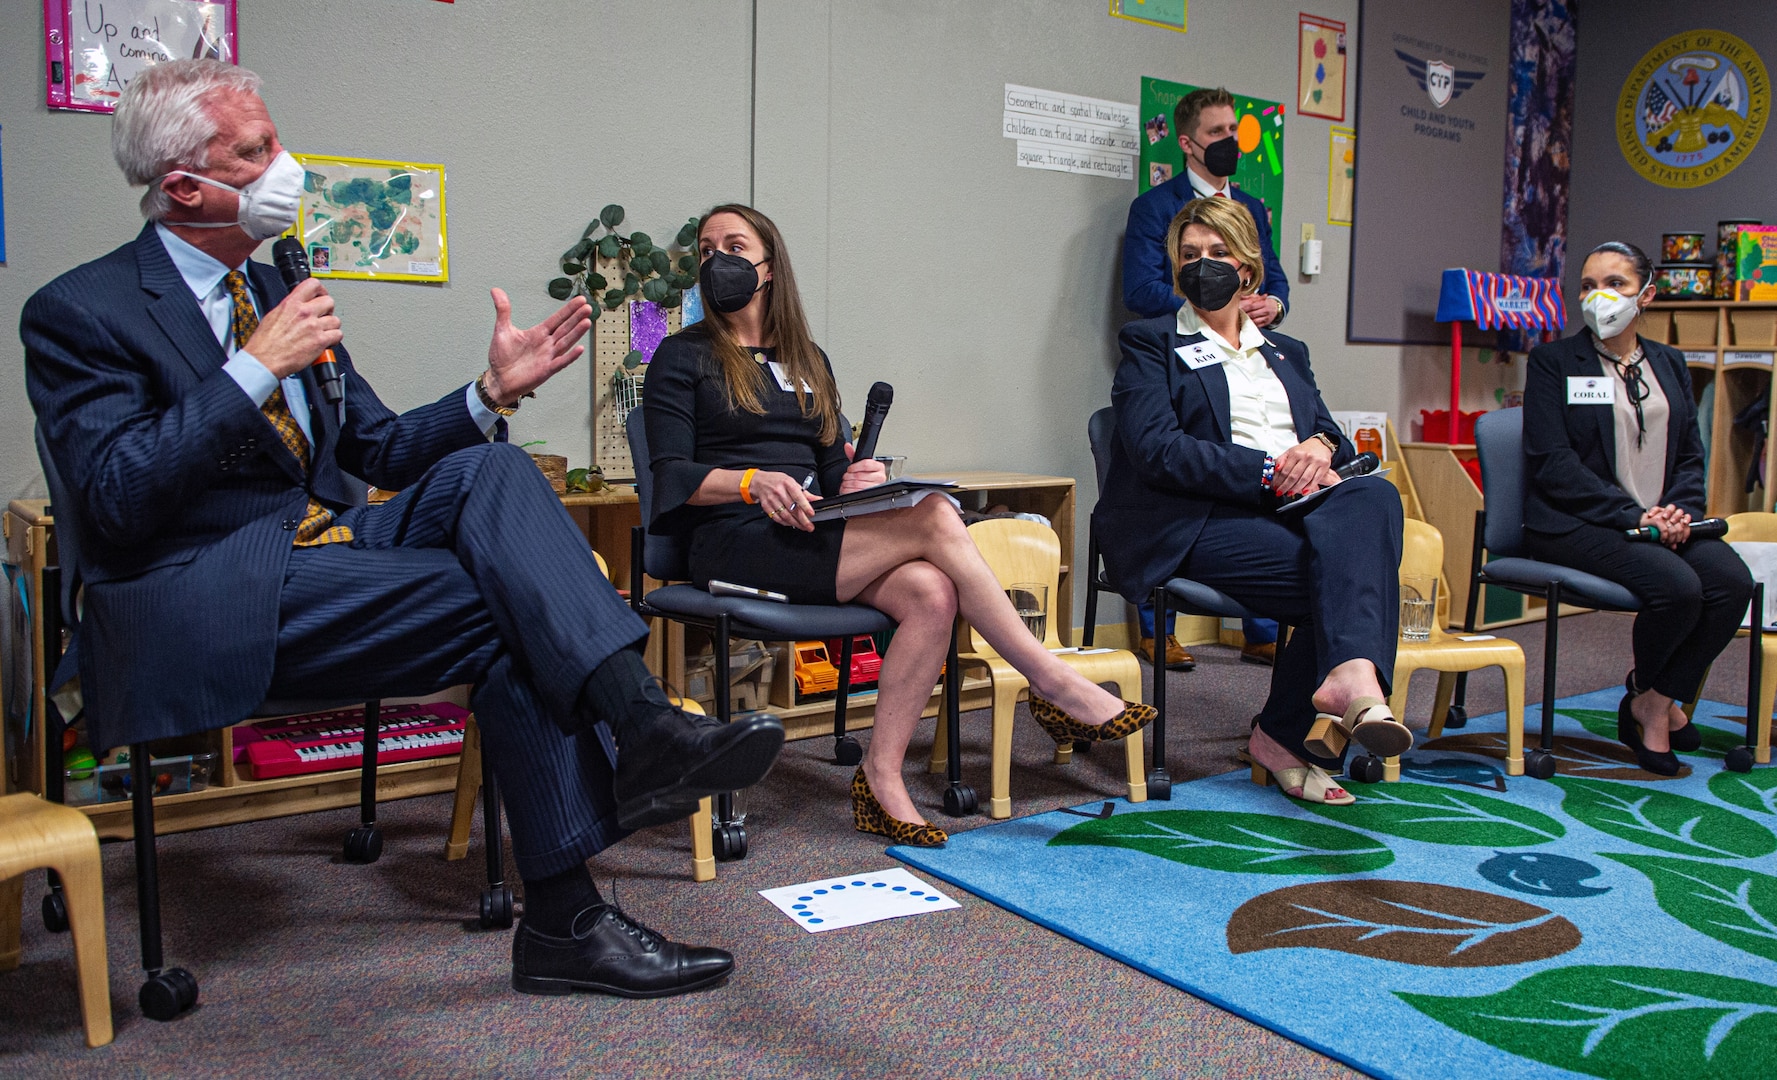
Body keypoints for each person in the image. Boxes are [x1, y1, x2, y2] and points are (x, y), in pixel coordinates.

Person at [22, 59, 784, 1001]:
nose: (284, 165)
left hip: (324, 552)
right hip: (199, 589)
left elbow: (378, 448)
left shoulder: (273, 288)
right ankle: (581, 883)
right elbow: (111, 500)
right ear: (183, 187)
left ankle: (628, 752)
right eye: (255, 152)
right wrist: (251, 372)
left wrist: (491, 392)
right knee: (514, 614)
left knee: (495, 465)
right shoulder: (79, 311)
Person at [643, 204, 1157, 846]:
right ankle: (1050, 678)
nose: (718, 258)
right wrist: (751, 482)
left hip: (807, 531)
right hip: (730, 541)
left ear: (769, 268)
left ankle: (882, 777)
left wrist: (860, 483)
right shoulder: (680, 356)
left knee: (931, 593)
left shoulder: (808, 358)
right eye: (706, 248)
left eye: (735, 245)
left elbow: (832, 472)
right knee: (938, 515)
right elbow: (669, 478)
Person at [1095, 196, 1408, 805]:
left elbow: (1329, 434)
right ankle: (1320, 709)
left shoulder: (1286, 350)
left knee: (1372, 496)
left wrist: (1317, 446)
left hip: (1289, 511)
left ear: (1247, 268)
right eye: (1188, 254)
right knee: (1344, 581)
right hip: (1195, 517)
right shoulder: (1150, 342)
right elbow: (1158, 450)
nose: (1201, 264)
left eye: (1217, 253)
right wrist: (1271, 471)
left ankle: (1338, 690)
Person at [1522, 241, 1753, 775]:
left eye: (1616, 283)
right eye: (1587, 285)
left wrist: (1678, 513)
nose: (1598, 296)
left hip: (1660, 522)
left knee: (1731, 584)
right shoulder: (1555, 363)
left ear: (1646, 295)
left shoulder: (1670, 362)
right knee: (1678, 588)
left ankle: (1652, 696)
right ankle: (1653, 710)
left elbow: (1691, 456)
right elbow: (1552, 463)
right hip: (1575, 522)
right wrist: (1636, 516)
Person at [1121, 86, 1290, 670]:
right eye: (1217, 133)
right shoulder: (1155, 207)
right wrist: (1204, 293)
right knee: (1180, 478)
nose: (1230, 143)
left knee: (1266, 454)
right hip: (1183, 358)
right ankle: (1157, 626)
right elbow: (1139, 291)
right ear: (1189, 142)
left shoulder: (1250, 208)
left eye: (1234, 132)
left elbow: (1276, 279)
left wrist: (1268, 306)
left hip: (1244, 353)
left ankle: (1264, 625)